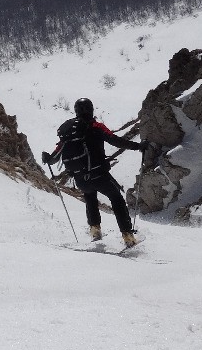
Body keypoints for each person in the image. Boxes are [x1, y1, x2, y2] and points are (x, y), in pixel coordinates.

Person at [42, 98, 146, 247]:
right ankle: (128, 236)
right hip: (99, 174)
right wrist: (138, 146)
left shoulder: (69, 132)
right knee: (116, 198)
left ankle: (95, 230)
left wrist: (48, 158)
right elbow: (114, 140)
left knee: (90, 196)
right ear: (91, 110)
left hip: (80, 178)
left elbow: (54, 157)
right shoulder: (95, 126)